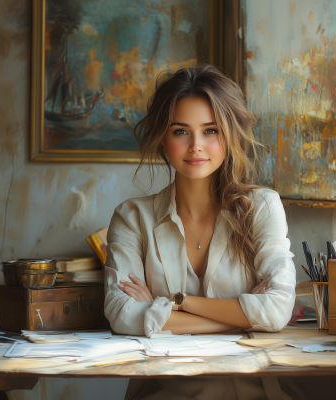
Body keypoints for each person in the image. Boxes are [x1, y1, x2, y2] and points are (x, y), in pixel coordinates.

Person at [104, 64, 304, 399]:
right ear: (162, 138)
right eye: (181, 131)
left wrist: (171, 304)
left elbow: (276, 310)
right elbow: (121, 314)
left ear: (229, 135)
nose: (196, 145)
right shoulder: (131, 217)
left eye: (210, 131)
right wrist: (241, 317)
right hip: (164, 386)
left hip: (249, 386)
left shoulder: (263, 207)